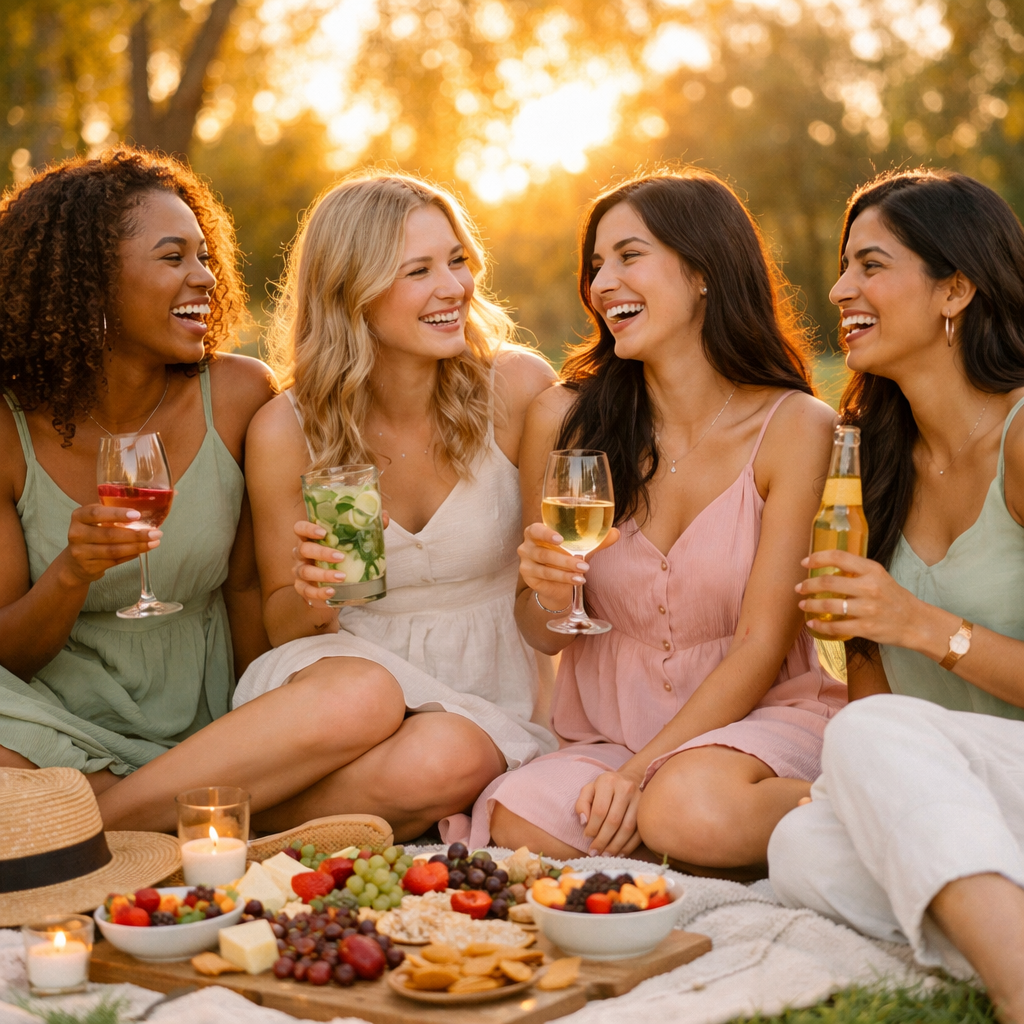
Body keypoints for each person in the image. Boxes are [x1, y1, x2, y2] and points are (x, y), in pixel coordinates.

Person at [458, 171, 845, 875]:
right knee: (518, 816)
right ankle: (700, 841)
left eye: (629, 256)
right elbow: (543, 631)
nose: (603, 282)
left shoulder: (794, 427)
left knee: (685, 806)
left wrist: (641, 776)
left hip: (759, 720)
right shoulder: (564, 419)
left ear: (702, 271)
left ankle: (855, 811)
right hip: (609, 733)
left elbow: (762, 644)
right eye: (596, 265)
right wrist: (548, 590)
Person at [231, 171, 558, 842]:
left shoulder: (517, 388)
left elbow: (548, 598)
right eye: (419, 270)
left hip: (488, 689)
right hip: (344, 680)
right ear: (354, 290)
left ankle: (206, 826)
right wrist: (315, 590)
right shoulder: (287, 429)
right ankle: (101, 822)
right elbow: (286, 625)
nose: (454, 287)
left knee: (448, 757)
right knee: (361, 695)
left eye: (458, 260)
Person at [770, 169, 1024, 1021]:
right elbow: (870, 692)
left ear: (956, 289)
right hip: (966, 792)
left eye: (870, 265)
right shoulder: (872, 462)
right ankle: (993, 907)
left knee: (871, 744)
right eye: (843, 267)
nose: (841, 289)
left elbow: (894, 686)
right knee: (800, 844)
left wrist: (921, 622)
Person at [0, 147, 274, 823]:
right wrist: (72, 572)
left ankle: (92, 820)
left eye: (206, 257)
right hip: (49, 727)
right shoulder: (8, 430)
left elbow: (246, 591)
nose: (206, 277)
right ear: (89, 281)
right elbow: (9, 659)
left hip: (205, 727)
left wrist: (264, 725)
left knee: (364, 705)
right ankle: (178, 822)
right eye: (174, 257)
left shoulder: (240, 397)